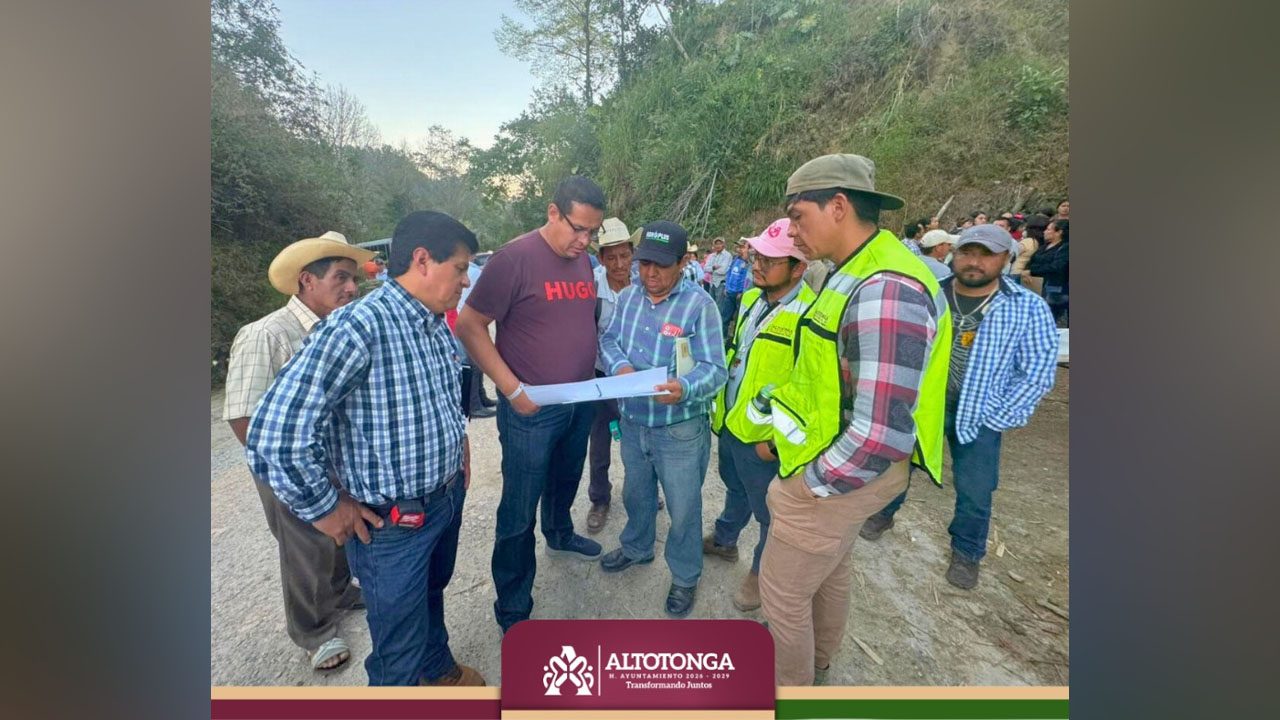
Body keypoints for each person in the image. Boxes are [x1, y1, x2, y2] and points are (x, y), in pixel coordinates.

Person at [246, 211, 485, 686]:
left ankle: (437, 670)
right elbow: (274, 434)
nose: (466, 280)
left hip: (442, 499)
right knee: (397, 647)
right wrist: (325, 507)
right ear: (422, 260)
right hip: (392, 524)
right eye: (460, 268)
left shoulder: (433, 323)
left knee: (430, 595)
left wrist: (458, 446)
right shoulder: (359, 327)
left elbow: (440, 396)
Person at [754, 154, 951, 686]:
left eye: (798, 216)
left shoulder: (886, 288)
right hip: (840, 461)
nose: (793, 231)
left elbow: (879, 433)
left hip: (845, 472)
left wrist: (808, 487)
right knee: (831, 570)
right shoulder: (854, 269)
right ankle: (819, 662)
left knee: (782, 596)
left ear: (838, 206)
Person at [860, 225, 1059, 589]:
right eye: (967, 252)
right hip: (923, 407)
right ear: (953, 253)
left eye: (986, 255)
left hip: (980, 414)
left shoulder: (1025, 307)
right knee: (898, 465)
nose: (974, 262)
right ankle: (882, 512)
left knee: (975, 489)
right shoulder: (930, 294)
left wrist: (999, 415)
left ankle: (966, 552)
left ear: (1006, 258)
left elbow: (1036, 372)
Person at [455, 175, 607, 634]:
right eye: (578, 229)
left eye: (593, 232)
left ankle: (559, 533)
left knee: (566, 477)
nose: (584, 241)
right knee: (519, 508)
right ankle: (514, 604)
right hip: (531, 409)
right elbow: (470, 324)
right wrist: (512, 390)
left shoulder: (583, 262)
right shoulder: (514, 258)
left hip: (579, 399)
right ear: (553, 212)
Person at [223, 230, 372, 673]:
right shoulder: (267, 334)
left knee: (339, 530)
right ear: (307, 280)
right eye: (341, 278)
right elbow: (242, 416)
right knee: (305, 546)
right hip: (287, 465)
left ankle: (340, 592)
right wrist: (284, 474)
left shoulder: (339, 330)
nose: (352, 288)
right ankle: (314, 631)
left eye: (354, 279)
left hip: (332, 458)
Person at [597, 220, 727, 618]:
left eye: (661, 265)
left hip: (679, 430)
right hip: (634, 421)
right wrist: (619, 367)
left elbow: (715, 370)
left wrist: (684, 387)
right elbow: (609, 340)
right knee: (636, 494)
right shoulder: (630, 296)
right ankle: (637, 547)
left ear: (683, 262)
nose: (650, 273)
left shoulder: (699, 306)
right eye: (645, 263)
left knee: (683, 508)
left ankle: (685, 575)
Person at [704, 217, 814, 613]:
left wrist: (775, 445)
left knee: (771, 514)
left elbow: (811, 391)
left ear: (798, 268)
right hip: (733, 423)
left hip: (765, 441)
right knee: (734, 487)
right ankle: (725, 539)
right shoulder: (751, 298)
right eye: (757, 256)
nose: (757, 265)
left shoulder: (810, 316)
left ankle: (760, 573)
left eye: (770, 260)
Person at [585, 217, 634, 534]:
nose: (619, 264)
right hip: (602, 376)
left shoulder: (644, 283)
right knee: (600, 439)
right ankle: (600, 499)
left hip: (636, 378)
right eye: (611, 257)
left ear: (633, 253)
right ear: (601, 258)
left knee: (639, 439)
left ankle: (642, 490)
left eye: (624, 255)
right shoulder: (591, 286)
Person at [457, 256, 496, 419]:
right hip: (465, 321)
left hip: (462, 319)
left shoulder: (471, 271)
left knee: (476, 363)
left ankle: (480, 398)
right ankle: (474, 405)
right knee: (472, 364)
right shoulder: (475, 273)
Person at [1028, 218, 1069, 325]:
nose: (1045, 232)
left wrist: (1034, 269)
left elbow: (1057, 267)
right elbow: (1032, 261)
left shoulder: (1065, 248)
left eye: (1048, 229)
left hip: (1055, 290)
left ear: (1059, 232)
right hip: (1038, 286)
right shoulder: (1044, 246)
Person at [720, 239, 752, 338]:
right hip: (729, 292)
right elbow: (729, 273)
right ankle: (723, 337)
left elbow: (747, 279)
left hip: (739, 295)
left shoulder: (749, 263)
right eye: (739, 247)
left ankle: (735, 338)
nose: (739, 249)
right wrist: (726, 287)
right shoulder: (735, 259)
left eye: (742, 247)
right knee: (725, 317)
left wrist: (742, 291)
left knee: (738, 319)